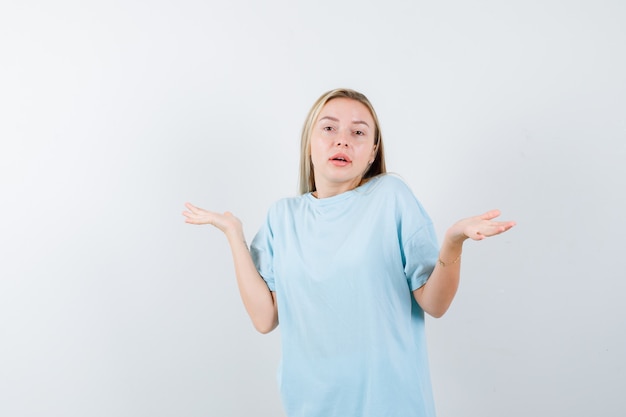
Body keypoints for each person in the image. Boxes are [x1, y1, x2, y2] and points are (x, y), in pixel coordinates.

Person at [183, 88, 515, 417]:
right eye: (329, 128)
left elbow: (435, 303)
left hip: (391, 406)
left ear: (372, 152)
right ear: (309, 143)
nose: (342, 140)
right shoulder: (282, 217)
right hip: (310, 406)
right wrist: (234, 235)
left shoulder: (391, 197)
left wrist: (453, 241)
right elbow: (264, 318)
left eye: (358, 132)